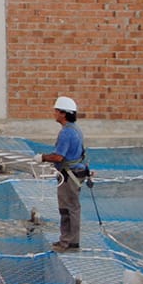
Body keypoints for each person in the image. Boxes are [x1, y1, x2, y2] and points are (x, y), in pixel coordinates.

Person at [39, 95, 90, 253]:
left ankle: (68, 243)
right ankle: (70, 241)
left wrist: (42, 157)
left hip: (69, 175)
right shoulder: (76, 130)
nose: (54, 113)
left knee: (68, 209)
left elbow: (59, 157)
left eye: (56, 111)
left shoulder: (66, 133)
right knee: (71, 208)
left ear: (63, 113)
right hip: (76, 172)